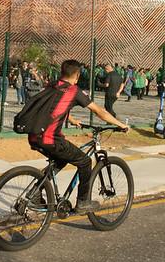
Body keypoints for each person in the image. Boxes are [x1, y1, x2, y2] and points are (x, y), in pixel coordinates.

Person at [27, 60, 129, 215]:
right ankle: (83, 202)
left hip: (34, 135)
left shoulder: (53, 85)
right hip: (51, 139)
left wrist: (72, 120)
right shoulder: (74, 91)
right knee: (85, 161)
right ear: (77, 75)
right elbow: (99, 111)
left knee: (61, 159)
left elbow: (53, 107)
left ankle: (36, 191)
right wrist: (121, 124)